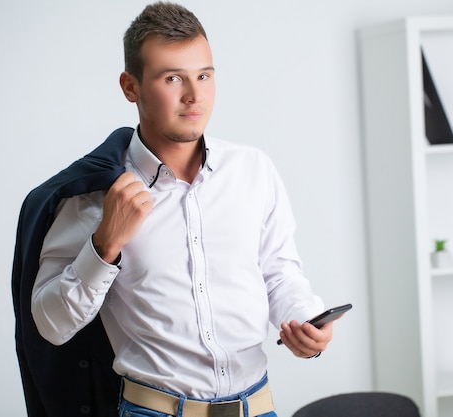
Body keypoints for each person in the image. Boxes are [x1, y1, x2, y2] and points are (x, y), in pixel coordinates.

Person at [29, 2, 335, 416]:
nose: (195, 96)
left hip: (258, 407)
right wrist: (104, 246)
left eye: (204, 76)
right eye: (172, 78)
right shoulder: (92, 195)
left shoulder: (253, 169)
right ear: (130, 87)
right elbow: (51, 325)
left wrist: (305, 320)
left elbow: (279, 271)